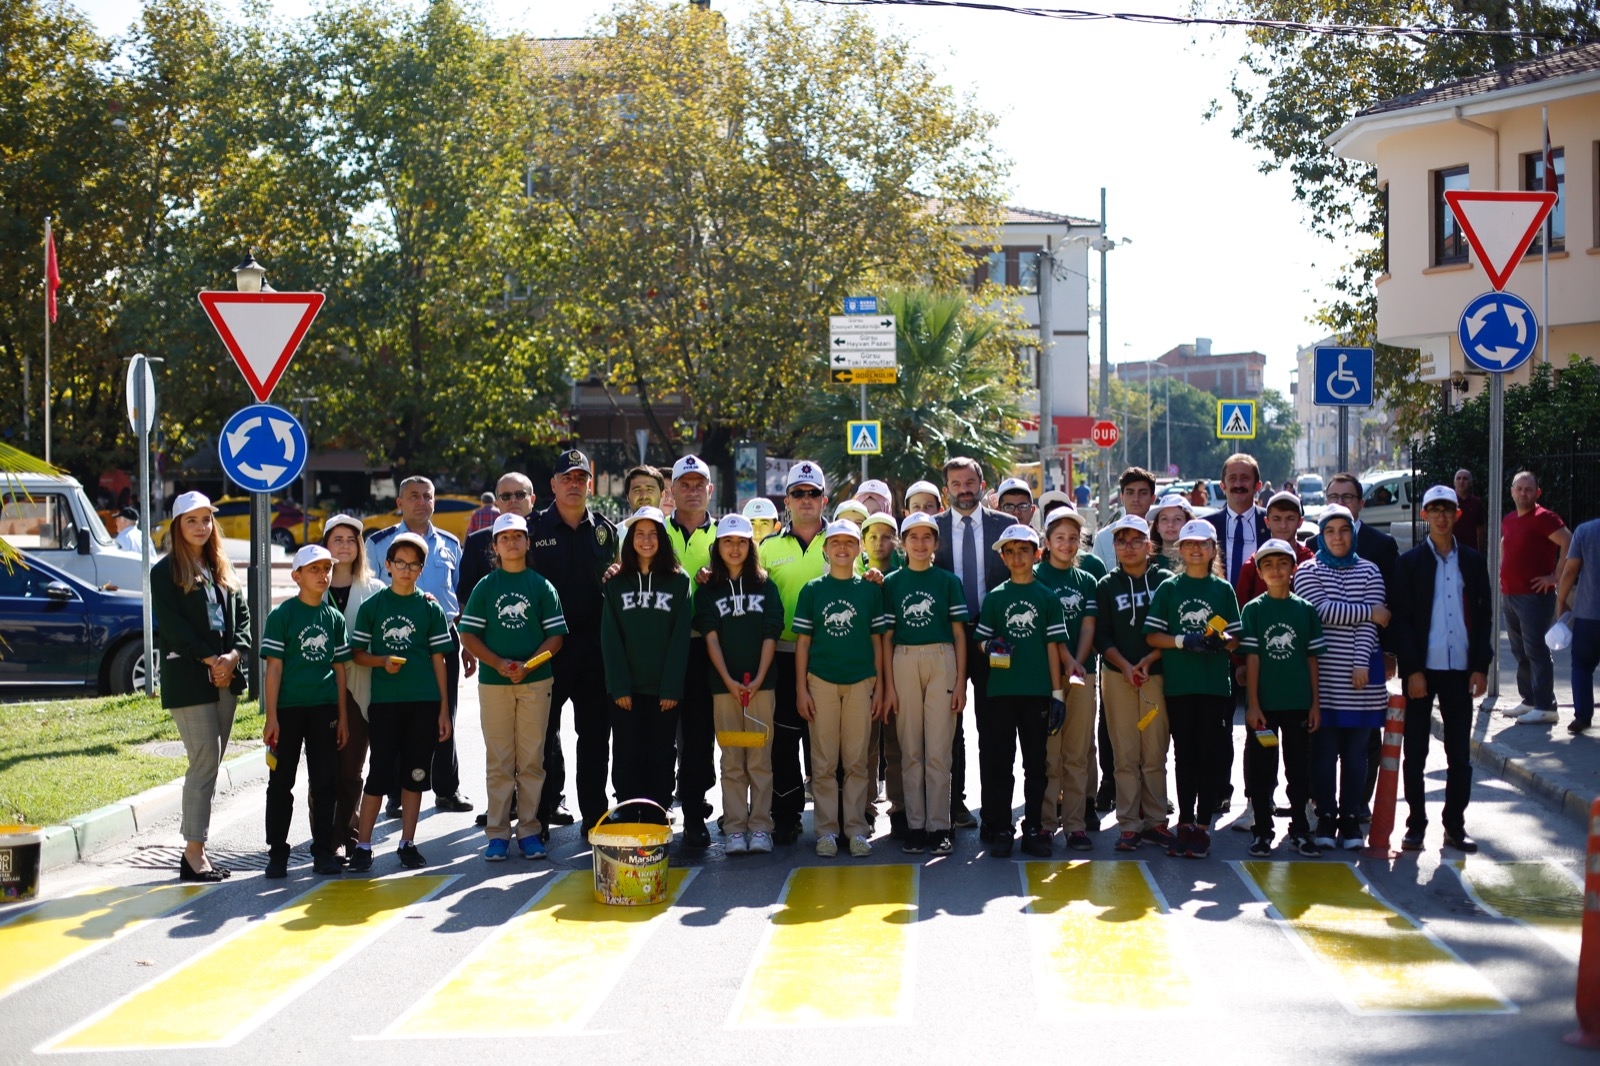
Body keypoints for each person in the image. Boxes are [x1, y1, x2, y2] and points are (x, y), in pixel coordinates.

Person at [150, 491, 249, 882]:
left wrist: (233, 657)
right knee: (204, 760)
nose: (200, 527)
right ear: (177, 526)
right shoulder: (164, 572)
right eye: (191, 520)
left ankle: (197, 850)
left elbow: (242, 619)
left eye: (206, 519)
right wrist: (212, 660)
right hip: (191, 678)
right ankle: (193, 854)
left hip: (226, 677)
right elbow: (174, 629)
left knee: (211, 762)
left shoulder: (221, 567)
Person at [459, 512, 567, 861]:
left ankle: (530, 831)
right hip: (494, 684)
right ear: (495, 546)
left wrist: (527, 665)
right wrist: (498, 663)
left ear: (527, 542)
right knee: (500, 761)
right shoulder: (486, 586)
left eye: (517, 536)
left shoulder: (541, 585)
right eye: (503, 538)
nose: (511, 542)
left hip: (536, 682)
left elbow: (555, 638)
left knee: (533, 760)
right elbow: (469, 635)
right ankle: (498, 833)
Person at [1392, 486, 1491, 854]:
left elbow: (1484, 617)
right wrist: (1412, 669)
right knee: (1414, 752)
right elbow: (1400, 619)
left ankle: (1455, 825)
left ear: (1458, 515)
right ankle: (1416, 824)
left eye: (1447, 510)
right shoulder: (1410, 563)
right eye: (1433, 510)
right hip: (1422, 670)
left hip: (1460, 671)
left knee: (1458, 755)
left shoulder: (1473, 561)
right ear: (1424, 516)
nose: (1441, 516)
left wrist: (1481, 666)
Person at [349, 532, 454, 870]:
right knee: (379, 772)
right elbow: (358, 654)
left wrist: (442, 709)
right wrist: (382, 662)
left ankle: (407, 842)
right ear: (388, 565)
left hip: (423, 702)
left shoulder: (430, 607)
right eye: (400, 563)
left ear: (421, 569)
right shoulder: (374, 606)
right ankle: (363, 846)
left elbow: (439, 659)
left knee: (416, 775)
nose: (406, 570)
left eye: (413, 565)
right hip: (386, 703)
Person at [367, 476, 471, 816]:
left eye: (427, 496)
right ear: (399, 502)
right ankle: (398, 792)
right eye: (413, 496)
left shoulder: (451, 544)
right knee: (400, 716)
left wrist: (466, 642)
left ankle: (446, 788)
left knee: (444, 713)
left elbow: (456, 595)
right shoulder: (380, 543)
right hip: (398, 641)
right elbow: (370, 593)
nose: (421, 502)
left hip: (443, 639)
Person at [530, 450, 618, 836]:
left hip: (595, 649)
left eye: (580, 478)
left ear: (589, 484)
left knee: (596, 736)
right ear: (553, 484)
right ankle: (543, 812)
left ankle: (595, 815)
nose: (573, 484)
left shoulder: (605, 530)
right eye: (566, 478)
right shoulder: (533, 529)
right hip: (548, 648)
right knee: (543, 736)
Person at [1293, 505, 1389, 851]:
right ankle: (1326, 816)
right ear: (1320, 535)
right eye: (1330, 530)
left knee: (1356, 754)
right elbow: (1319, 611)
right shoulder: (1307, 571)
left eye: (1344, 530)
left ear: (1353, 533)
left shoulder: (1370, 571)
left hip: (1361, 679)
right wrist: (1370, 612)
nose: (1338, 537)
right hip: (1324, 679)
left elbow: (1370, 627)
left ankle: (1350, 818)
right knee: (1322, 753)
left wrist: (1361, 663)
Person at [793, 518, 889, 858]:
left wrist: (879, 686)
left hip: (861, 682)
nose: (843, 548)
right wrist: (801, 689)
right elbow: (803, 643)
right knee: (822, 761)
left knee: (857, 760)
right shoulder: (813, 590)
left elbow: (878, 642)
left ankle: (855, 829)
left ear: (859, 549)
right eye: (836, 543)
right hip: (821, 681)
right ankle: (826, 831)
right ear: (826, 549)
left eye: (850, 543)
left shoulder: (868, 590)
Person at [1144, 520, 1239, 859]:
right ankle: (1183, 821)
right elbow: (1153, 636)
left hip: (1214, 685)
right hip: (1180, 684)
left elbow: (1235, 639)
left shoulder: (1223, 589)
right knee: (1184, 752)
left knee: (1209, 751)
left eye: (1204, 544)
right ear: (1179, 550)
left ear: (1214, 549)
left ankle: (1202, 825)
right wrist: (1185, 640)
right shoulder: (1170, 588)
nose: (1196, 549)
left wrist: (1221, 642)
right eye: (1189, 544)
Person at [971, 523, 1067, 858]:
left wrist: (1057, 694)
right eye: (1009, 551)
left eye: (1023, 550)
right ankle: (1001, 827)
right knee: (1000, 762)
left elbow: (1055, 647)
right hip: (1000, 691)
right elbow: (980, 640)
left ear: (1036, 553)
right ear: (1002, 556)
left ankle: (1035, 828)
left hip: (1037, 691)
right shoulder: (996, 597)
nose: (1016, 557)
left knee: (1036, 765)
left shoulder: (1047, 597)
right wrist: (990, 646)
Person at [261, 544, 351, 878]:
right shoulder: (282, 616)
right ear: (296, 575)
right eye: (314, 569)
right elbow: (273, 669)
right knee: (281, 782)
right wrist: (272, 716)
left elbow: (340, 670)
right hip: (287, 711)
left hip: (324, 709)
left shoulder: (334, 618)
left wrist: (342, 717)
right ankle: (277, 852)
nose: (323, 575)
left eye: (327, 568)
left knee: (325, 781)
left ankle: (323, 851)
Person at [881, 512, 968, 856]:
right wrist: (888, 686)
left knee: (939, 748)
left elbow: (960, 634)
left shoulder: (948, 581)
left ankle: (939, 825)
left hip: (941, 659)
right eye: (912, 537)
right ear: (902, 544)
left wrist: (960, 681)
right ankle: (915, 825)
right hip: (903, 659)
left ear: (936, 543)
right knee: (910, 748)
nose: (919, 543)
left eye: (926, 537)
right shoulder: (892, 582)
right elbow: (886, 637)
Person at [697, 513, 784, 855]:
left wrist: (760, 677)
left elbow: (770, 633)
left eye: (742, 542)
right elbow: (711, 637)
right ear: (718, 546)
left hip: (762, 686)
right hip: (724, 689)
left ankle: (761, 825)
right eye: (728, 541)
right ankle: (735, 826)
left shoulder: (766, 585)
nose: (735, 548)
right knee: (732, 757)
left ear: (752, 545)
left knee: (760, 757)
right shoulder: (708, 589)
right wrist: (728, 680)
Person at [935, 457, 1013, 831]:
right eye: (956, 483)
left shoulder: (1006, 526)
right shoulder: (930, 530)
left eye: (970, 482)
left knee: (993, 725)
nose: (964, 490)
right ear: (946, 488)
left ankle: (994, 811)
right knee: (948, 725)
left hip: (992, 638)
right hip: (947, 639)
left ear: (982, 484)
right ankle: (953, 805)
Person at [758, 461, 833, 845]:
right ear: (786, 500)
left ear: (825, 499)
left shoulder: (840, 541)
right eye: (798, 494)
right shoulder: (768, 547)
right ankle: (785, 816)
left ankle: (830, 819)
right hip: (784, 654)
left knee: (824, 741)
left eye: (813, 493)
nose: (806, 500)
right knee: (784, 738)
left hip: (830, 653)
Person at [602, 506, 693, 822]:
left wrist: (671, 685)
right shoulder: (616, 582)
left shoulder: (679, 582)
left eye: (653, 534)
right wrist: (619, 685)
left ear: (662, 540)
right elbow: (610, 638)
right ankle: (627, 807)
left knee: (661, 750)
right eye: (639, 534)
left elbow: (681, 638)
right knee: (626, 748)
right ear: (630, 539)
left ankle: (658, 807)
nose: (646, 540)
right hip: (627, 688)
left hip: (663, 688)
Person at [1238, 539, 1325, 857]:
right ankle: (1262, 830)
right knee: (1263, 769)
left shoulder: (1304, 610)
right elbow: (1253, 659)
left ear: (1293, 568)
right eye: (1269, 565)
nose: (1276, 570)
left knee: (1298, 769)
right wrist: (1254, 704)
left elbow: (1312, 659)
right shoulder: (1254, 610)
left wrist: (1315, 703)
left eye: (1283, 563)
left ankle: (1300, 829)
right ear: (1259, 572)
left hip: (1298, 704)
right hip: (1265, 709)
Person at [1094, 514, 1173, 853]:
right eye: (1121, 541)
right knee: (1125, 753)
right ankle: (1128, 824)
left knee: (1154, 752)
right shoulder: (1106, 585)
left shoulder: (1165, 580)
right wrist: (1125, 665)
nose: (1128, 547)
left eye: (1136, 540)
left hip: (1155, 676)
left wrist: (1148, 660)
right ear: (1114, 546)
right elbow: (1100, 634)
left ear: (1149, 544)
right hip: (1118, 677)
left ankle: (1156, 821)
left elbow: (1171, 628)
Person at [1032, 506, 1099, 850]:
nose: (1067, 544)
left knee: (1076, 753)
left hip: (1079, 677)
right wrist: (1067, 660)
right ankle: (1045, 822)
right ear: (1046, 541)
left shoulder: (1086, 580)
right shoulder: (1034, 577)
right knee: (1048, 754)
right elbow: (1047, 634)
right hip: (1044, 678)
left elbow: (1088, 625)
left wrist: (1079, 662)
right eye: (1060, 537)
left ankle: (1074, 824)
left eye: (1074, 538)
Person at [321, 514, 384, 861]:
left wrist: (427, 602)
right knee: (323, 769)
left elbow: (400, 609)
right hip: (318, 691)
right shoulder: (314, 586)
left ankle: (348, 832)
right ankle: (325, 838)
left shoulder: (375, 590)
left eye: (350, 540)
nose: (344, 546)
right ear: (325, 544)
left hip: (360, 691)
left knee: (350, 770)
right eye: (337, 539)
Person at [664, 455, 719, 848]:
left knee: (699, 736)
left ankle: (696, 811)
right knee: (660, 733)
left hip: (706, 646)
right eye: (685, 484)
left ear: (710, 490)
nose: (693, 490)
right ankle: (656, 807)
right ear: (672, 491)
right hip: (661, 647)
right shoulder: (652, 532)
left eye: (700, 484)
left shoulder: (729, 535)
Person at [1496, 471, 1570, 725]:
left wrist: (1556, 577)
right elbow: (1506, 543)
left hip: (1535, 597)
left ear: (1538, 492)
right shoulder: (1509, 518)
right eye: (1520, 488)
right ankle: (1529, 700)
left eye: (1529, 489)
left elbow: (1568, 541)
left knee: (1536, 649)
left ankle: (1546, 705)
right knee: (1520, 650)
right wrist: (1502, 570)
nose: (1524, 493)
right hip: (1510, 594)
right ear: (1512, 491)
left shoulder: (1545, 518)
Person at [859, 511, 906, 833]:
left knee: (897, 742)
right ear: (863, 542)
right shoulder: (854, 575)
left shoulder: (904, 575)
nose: (879, 542)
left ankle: (900, 805)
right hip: (864, 668)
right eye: (872, 536)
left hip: (900, 666)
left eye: (887, 535)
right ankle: (864, 806)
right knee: (865, 744)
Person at [1556, 517, 1600, 734]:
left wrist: (1561, 601)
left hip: (1589, 614)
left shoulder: (1586, 531)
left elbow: (1570, 570)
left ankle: (1582, 716)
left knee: (1582, 666)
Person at [1233, 492, 1314, 607]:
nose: (1283, 525)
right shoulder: (1253, 565)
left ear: (1300, 522)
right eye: (1276, 519)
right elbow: (1240, 612)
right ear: (1267, 522)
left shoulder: (1310, 561)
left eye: (1290, 519)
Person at [1091, 467, 1159, 569]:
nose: (1136, 499)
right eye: (1130, 493)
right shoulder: (1104, 537)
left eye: (1143, 493)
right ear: (1122, 497)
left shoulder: (1161, 534)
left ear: (1153, 498)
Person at [1148, 494, 1195, 570]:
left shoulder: (1198, 561)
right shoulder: (1146, 563)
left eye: (1177, 519)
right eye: (1164, 519)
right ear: (1157, 527)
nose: (1170, 524)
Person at [1453, 469, 1486, 553]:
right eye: (1458, 478)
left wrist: (1480, 551)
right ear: (1454, 482)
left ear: (1471, 482)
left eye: (1465, 478)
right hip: (1451, 549)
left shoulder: (1476, 503)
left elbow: (1480, 529)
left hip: (1471, 550)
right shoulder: (1449, 502)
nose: (1461, 481)